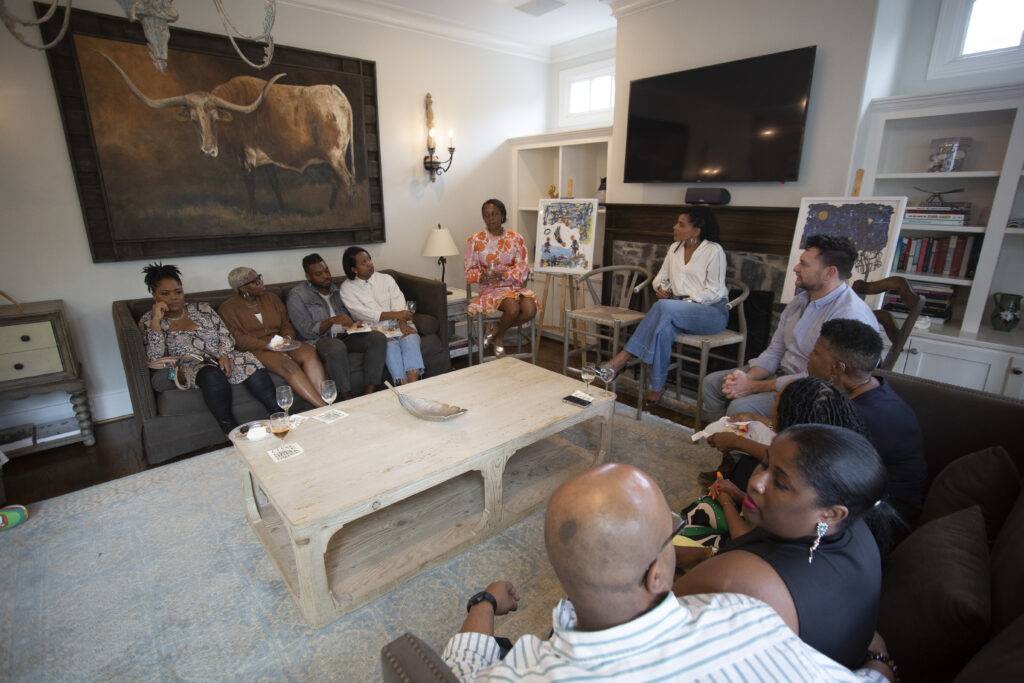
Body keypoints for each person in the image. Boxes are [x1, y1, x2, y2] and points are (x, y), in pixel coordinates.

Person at [441, 463, 898, 682]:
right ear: (656, 575)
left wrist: (484, 604)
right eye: (674, 533)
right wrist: (879, 661)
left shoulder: (520, 672)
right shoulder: (749, 620)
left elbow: (453, 671)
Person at [675, 424, 904, 671]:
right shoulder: (859, 531)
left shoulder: (743, 577)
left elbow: (656, 616)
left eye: (781, 483)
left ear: (831, 513)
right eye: (764, 463)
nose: (756, 483)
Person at [701, 234, 878, 421]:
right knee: (712, 384)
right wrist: (747, 379)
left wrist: (753, 387)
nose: (795, 268)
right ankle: (722, 437)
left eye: (804, 264)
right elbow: (775, 350)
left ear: (829, 273)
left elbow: (823, 379)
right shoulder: (800, 300)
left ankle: (746, 443)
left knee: (740, 407)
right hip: (780, 373)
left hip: (814, 391)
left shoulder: (848, 315)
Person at [599, 206, 728, 403]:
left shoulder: (713, 250)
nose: (675, 227)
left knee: (663, 307)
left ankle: (620, 360)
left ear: (696, 230)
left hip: (711, 313)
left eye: (681, 224)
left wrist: (683, 301)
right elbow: (660, 278)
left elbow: (715, 290)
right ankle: (658, 386)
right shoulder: (674, 249)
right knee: (663, 331)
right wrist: (662, 288)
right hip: (676, 310)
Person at [808, 318, 928, 523]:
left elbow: (809, 469)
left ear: (837, 368)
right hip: (855, 499)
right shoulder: (874, 387)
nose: (810, 356)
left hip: (879, 519)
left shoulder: (863, 417)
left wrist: (739, 442)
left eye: (816, 353)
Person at [139, 263, 279, 434]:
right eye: (165, 294)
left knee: (249, 359)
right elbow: (154, 356)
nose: (174, 298)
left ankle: (278, 415)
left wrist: (225, 355)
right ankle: (233, 431)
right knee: (212, 374)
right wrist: (156, 320)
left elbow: (225, 334)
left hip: (222, 356)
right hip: (190, 365)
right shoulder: (149, 321)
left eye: (178, 292)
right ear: (154, 295)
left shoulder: (202, 309)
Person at [217, 267, 327, 409]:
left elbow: (286, 323)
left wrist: (286, 339)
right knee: (288, 365)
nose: (261, 282)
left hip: (281, 341)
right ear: (243, 288)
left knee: (309, 353)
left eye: (259, 277)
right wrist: (269, 346)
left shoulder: (272, 299)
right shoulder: (227, 309)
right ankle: (322, 407)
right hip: (257, 349)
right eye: (255, 281)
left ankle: (325, 399)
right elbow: (239, 340)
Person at [286, 253, 388, 399]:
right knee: (336, 346)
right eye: (319, 274)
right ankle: (346, 399)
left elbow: (350, 316)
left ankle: (369, 394)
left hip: (347, 335)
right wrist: (331, 320)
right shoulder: (297, 296)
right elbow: (306, 331)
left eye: (327, 271)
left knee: (377, 338)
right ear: (308, 276)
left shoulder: (337, 290)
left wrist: (355, 323)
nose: (326, 276)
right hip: (319, 341)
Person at [464, 198, 539, 357]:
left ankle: (497, 330)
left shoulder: (516, 238)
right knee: (513, 308)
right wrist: (482, 276)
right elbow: (469, 271)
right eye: (487, 215)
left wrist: (504, 274)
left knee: (530, 309)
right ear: (483, 218)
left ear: (502, 215)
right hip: (490, 287)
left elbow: (523, 267)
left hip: (513, 286)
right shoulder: (475, 240)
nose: (491, 218)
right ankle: (499, 340)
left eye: (495, 214)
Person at [339, 247, 424, 385]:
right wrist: (398, 314)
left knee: (411, 338)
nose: (370, 264)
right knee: (388, 345)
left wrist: (402, 322)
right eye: (363, 262)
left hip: (398, 324)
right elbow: (364, 314)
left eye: (369, 259)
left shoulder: (386, 279)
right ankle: (403, 385)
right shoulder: (347, 288)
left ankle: (413, 386)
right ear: (353, 269)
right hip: (374, 331)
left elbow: (399, 302)